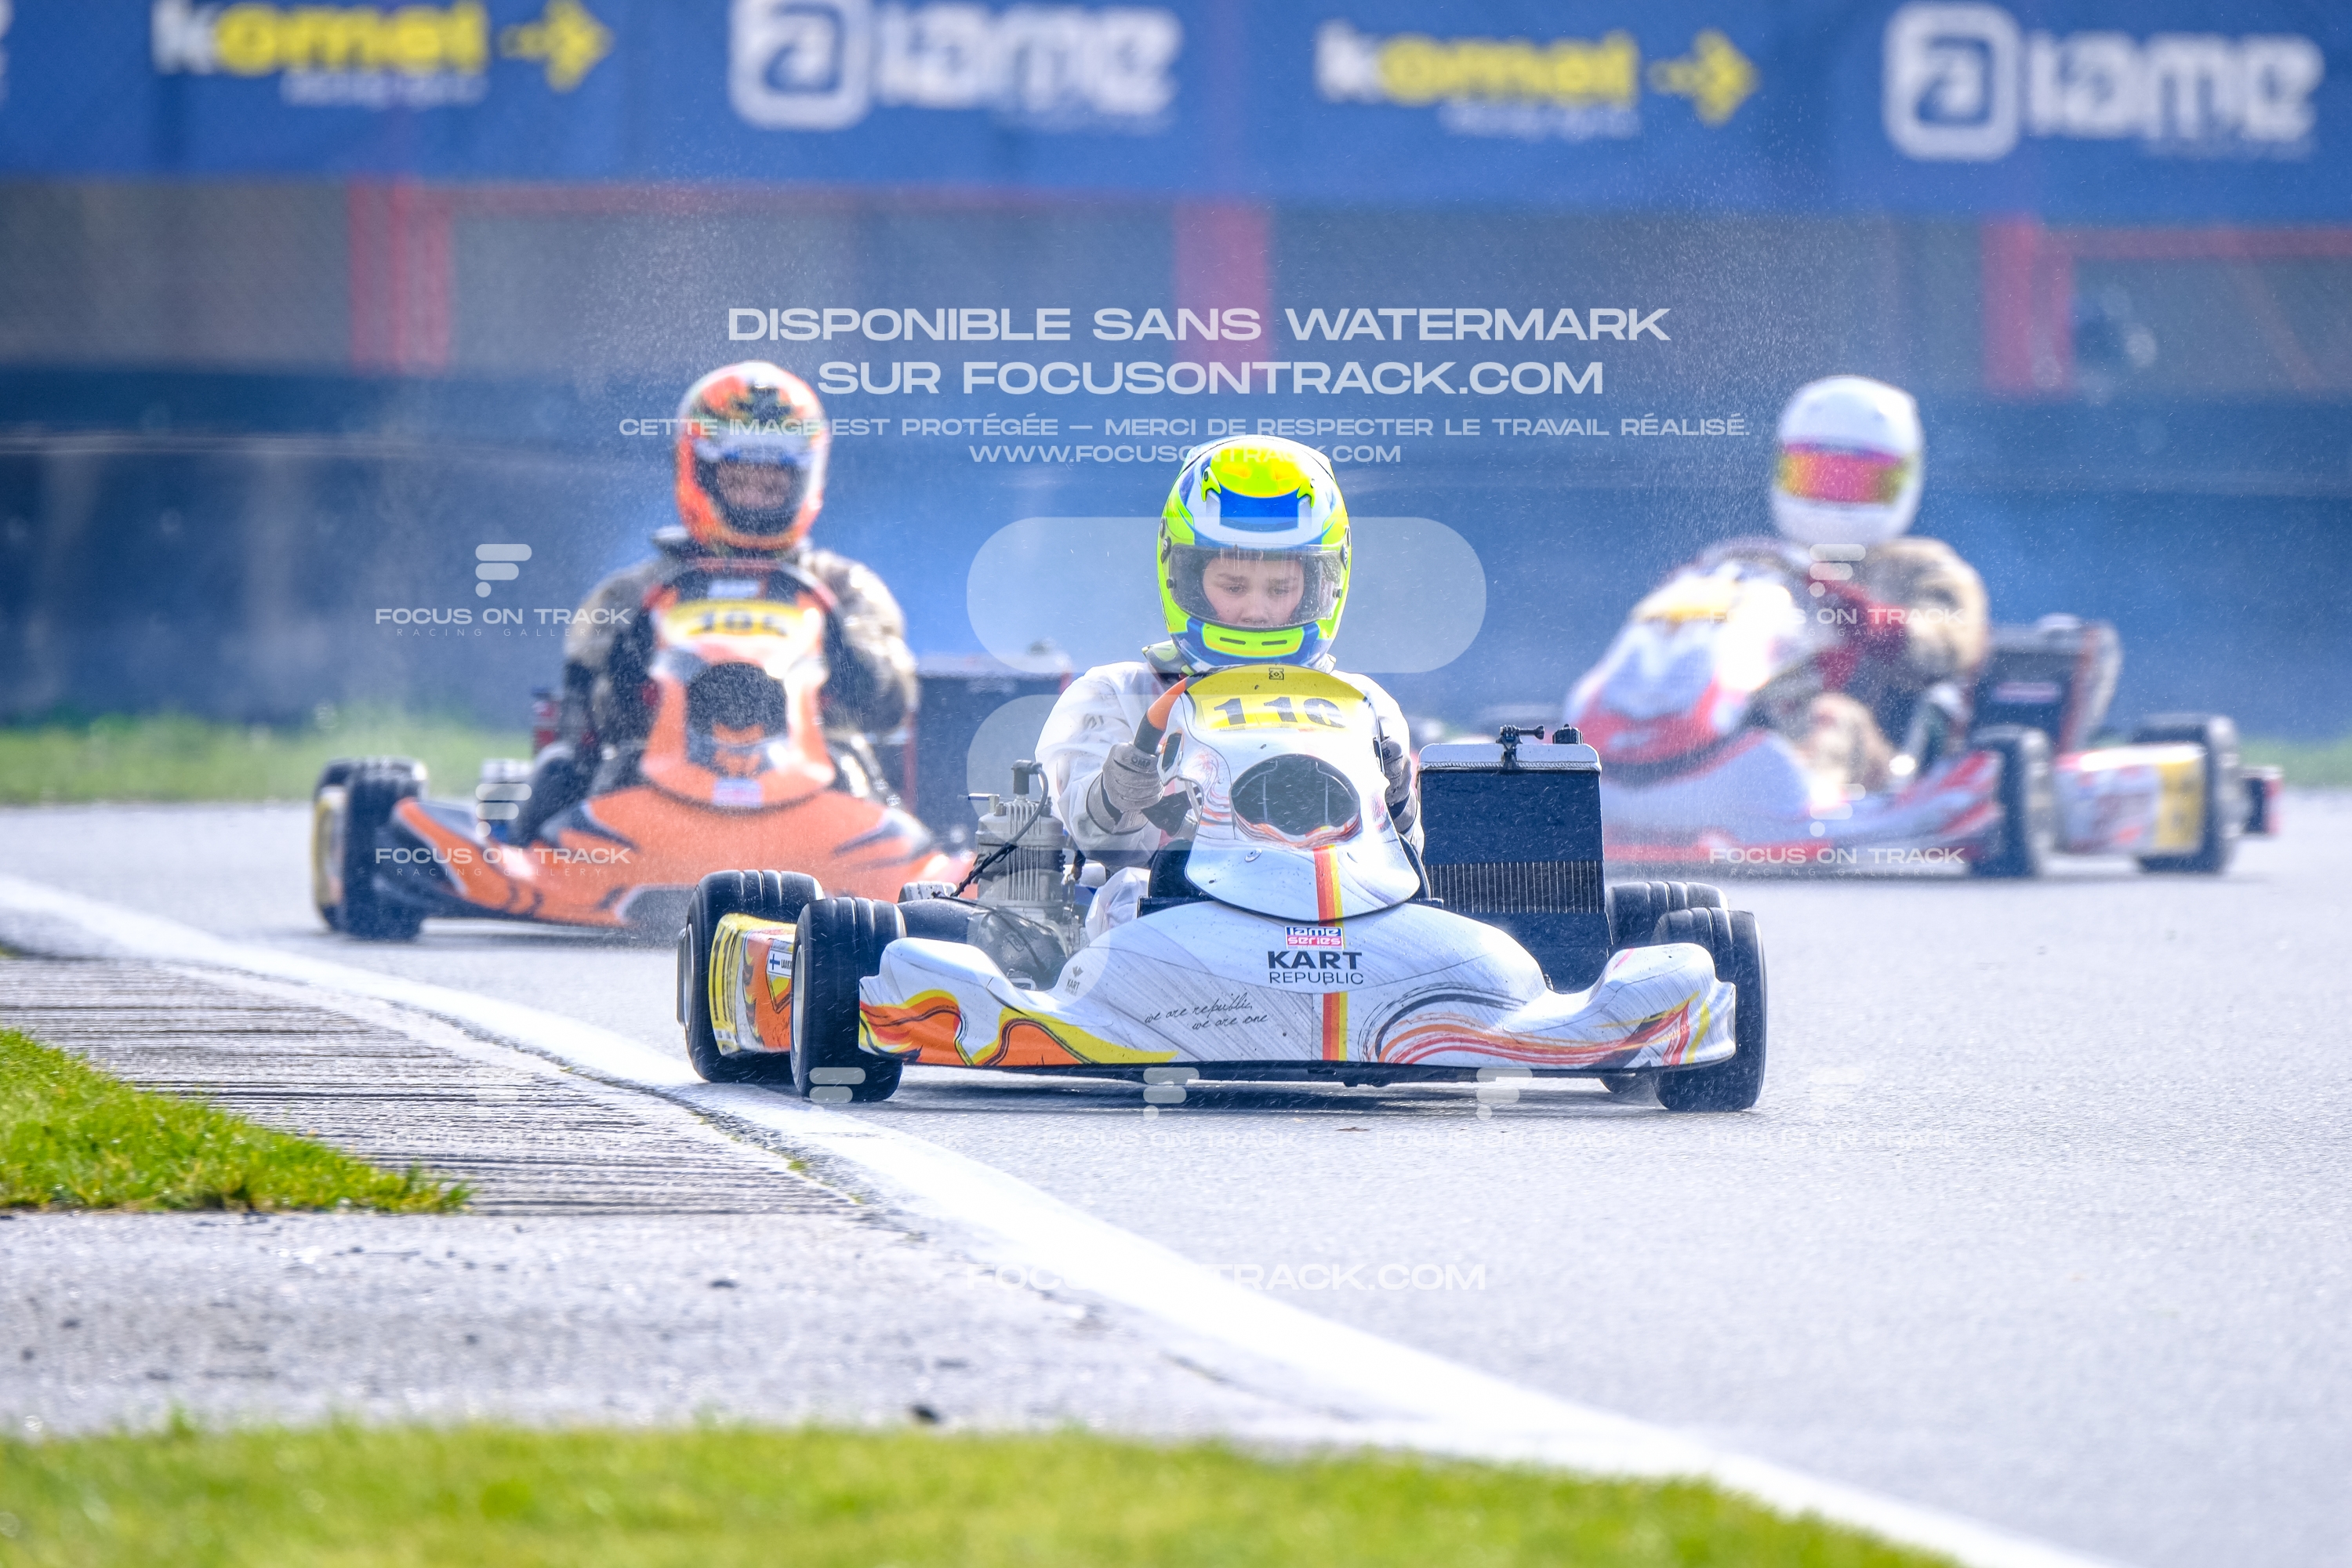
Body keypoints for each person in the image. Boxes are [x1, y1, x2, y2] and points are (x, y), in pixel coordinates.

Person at [510, 362, 917, 840]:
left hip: (817, 790)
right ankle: (534, 857)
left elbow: (891, 706)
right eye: (739, 480)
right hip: (651, 789)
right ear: (698, 472)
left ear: (806, 480)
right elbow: (588, 722)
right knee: (561, 771)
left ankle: (881, 866)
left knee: (856, 765)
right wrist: (629, 668)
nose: (755, 498)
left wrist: (847, 657)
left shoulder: (844, 589)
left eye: (772, 484)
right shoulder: (629, 595)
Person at [1036, 437, 1419, 907]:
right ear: (1186, 578)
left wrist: (1396, 800)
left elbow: (1406, 866)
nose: (1256, 610)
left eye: (1280, 588)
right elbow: (1103, 846)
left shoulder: (1362, 706)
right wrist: (1119, 793)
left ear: (1320, 587)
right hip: (1170, 924)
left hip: (1334, 921)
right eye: (1234, 586)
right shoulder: (1119, 695)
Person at [1744, 375, 1988, 797]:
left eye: (1852, 482)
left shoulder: (1925, 567)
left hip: (1881, 757)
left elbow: (1948, 642)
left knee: (1830, 718)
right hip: (1764, 727)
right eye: (1816, 477)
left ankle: (1803, 805)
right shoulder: (1761, 565)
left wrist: (1869, 621)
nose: (1832, 498)